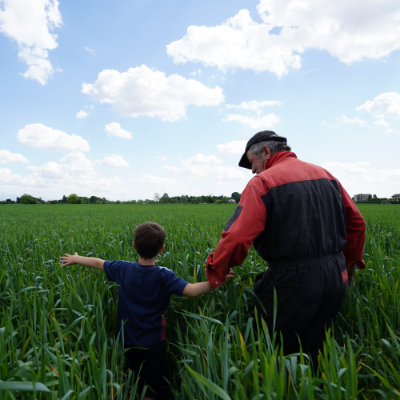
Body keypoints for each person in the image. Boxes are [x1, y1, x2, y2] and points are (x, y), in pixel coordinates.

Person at [206, 130, 366, 367]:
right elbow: (357, 223)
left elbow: (237, 236)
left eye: (252, 162)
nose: (252, 170)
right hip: (335, 278)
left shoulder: (263, 182)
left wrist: (216, 270)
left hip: (291, 282)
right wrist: (349, 264)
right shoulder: (327, 176)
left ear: (266, 152)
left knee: (277, 355)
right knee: (317, 352)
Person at [60, 222, 234, 400]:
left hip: (125, 339)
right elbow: (192, 290)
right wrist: (217, 280)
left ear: (134, 246)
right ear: (162, 249)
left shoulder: (123, 268)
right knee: (152, 388)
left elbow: (97, 263)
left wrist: (76, 258)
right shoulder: (163, 276)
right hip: (153, 342)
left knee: (130, 381)